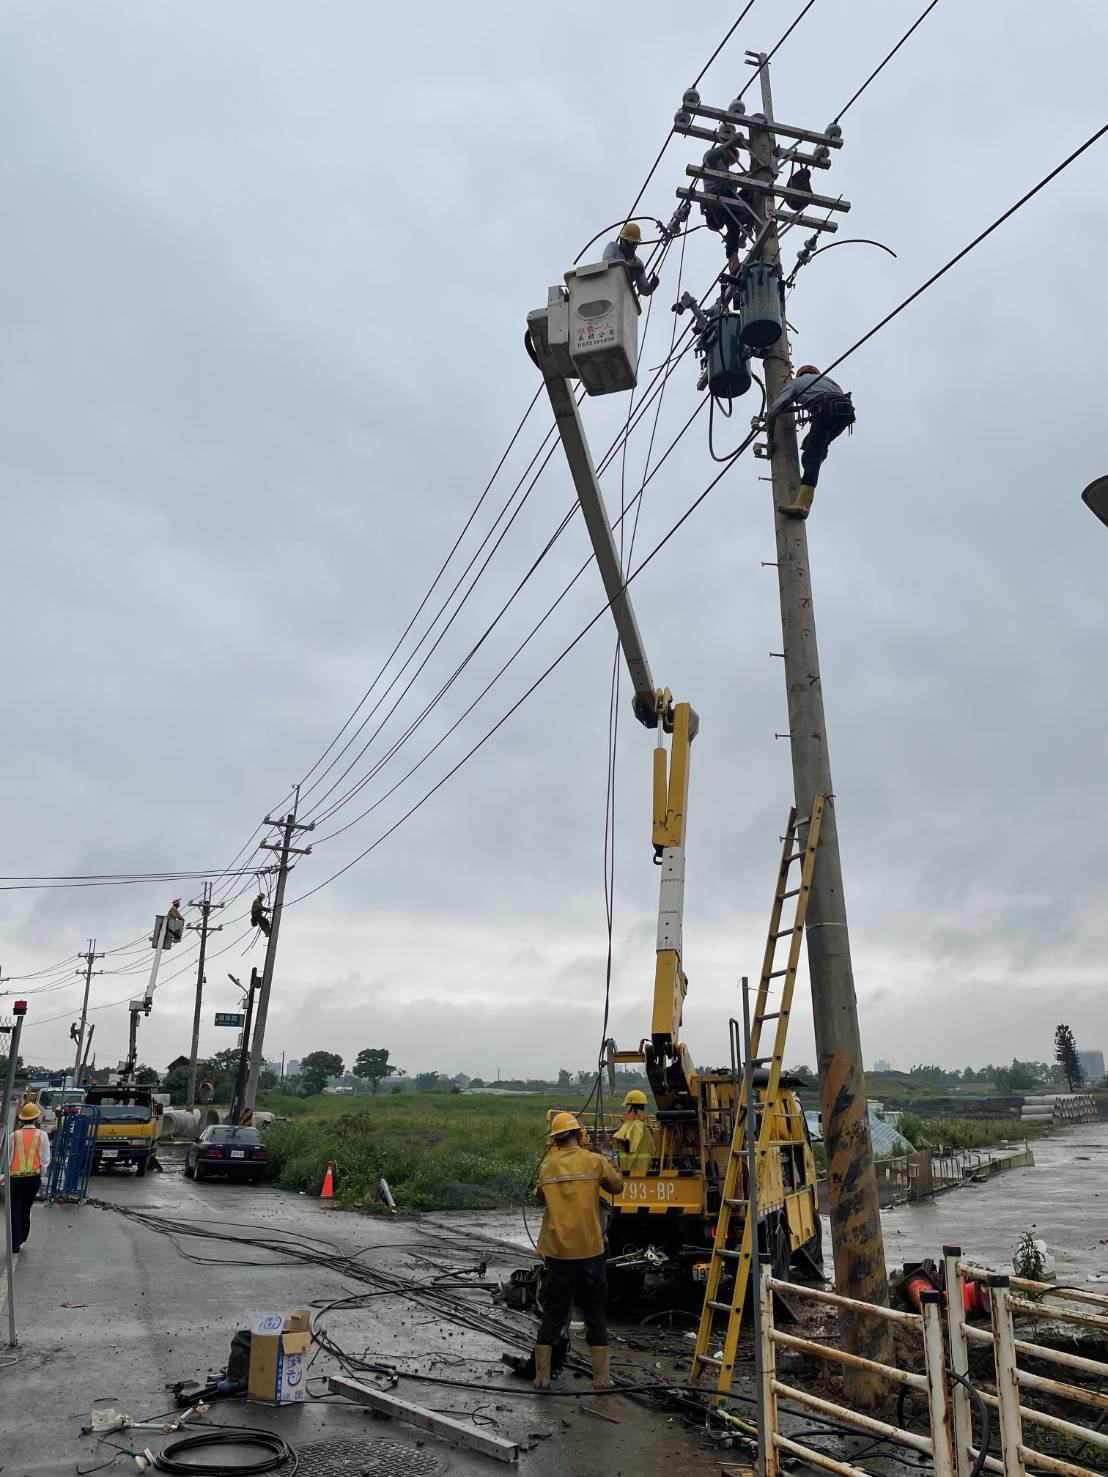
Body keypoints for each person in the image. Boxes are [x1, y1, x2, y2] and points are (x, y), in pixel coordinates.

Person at [532, 1111, 623, 1391]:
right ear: (580, 1135)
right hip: (590, 1251)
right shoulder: (594, 1161)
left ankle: (542, 1377)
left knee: (553, 1313)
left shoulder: (547, 1166)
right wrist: (608, 1162)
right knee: (595, 1311)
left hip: (558, 1253)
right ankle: (601, 1378)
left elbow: (538, 1197)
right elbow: (617, 1187)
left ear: (555, 1139)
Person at [766, 364, 856, 519]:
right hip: (845, 413)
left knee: (810, 457)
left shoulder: (795, 384)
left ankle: (802, 505)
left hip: (825, 409)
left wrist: (770, 440)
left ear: (799, 376)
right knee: (811, 444)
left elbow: (774, 411)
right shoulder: (829, 380)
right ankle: (818, 458)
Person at [699, 139, 757, 276]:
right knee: (733, 226)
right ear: (726, 151)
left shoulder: (727, 172)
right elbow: (712, 156)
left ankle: (750, 220)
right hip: (717, 200)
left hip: (729, 200)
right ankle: (733, 261)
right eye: (731, 157)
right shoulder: (712, 157)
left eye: (733, 161)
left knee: (752, 193)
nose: (731, 162)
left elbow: (737, 178)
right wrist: (733, 141)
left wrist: (754, 173)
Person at [8, 1102, 51, 1253]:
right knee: (26, 1209)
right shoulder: (42, 1135)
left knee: (15, 1209)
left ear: (22, 1119)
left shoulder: (14, 1135)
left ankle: (14, 1242)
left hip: (14, 1178)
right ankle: (22, 1238)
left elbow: (7, 1158)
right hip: (33, 1179)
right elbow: (45, 1160)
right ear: (36, 1118)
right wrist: (42, 1177)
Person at [601, 222, 659, 297]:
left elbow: (643, 289)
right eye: (629, 243)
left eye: (634, 244)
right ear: (621, 240)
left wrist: (652, 285)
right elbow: (607, 263)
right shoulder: (613, 247)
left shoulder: (637, 263)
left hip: (621, 295)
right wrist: (628, 266)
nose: (631, 247)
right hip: (606, 286)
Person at [611, 1089, 655, 1174]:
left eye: (627, 1107)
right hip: (643, 1171)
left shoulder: (635, 1126)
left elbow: (623, 1144)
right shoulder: (643, 1128)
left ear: (632, 1108)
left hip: (631, 1172)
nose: (625, 1111)